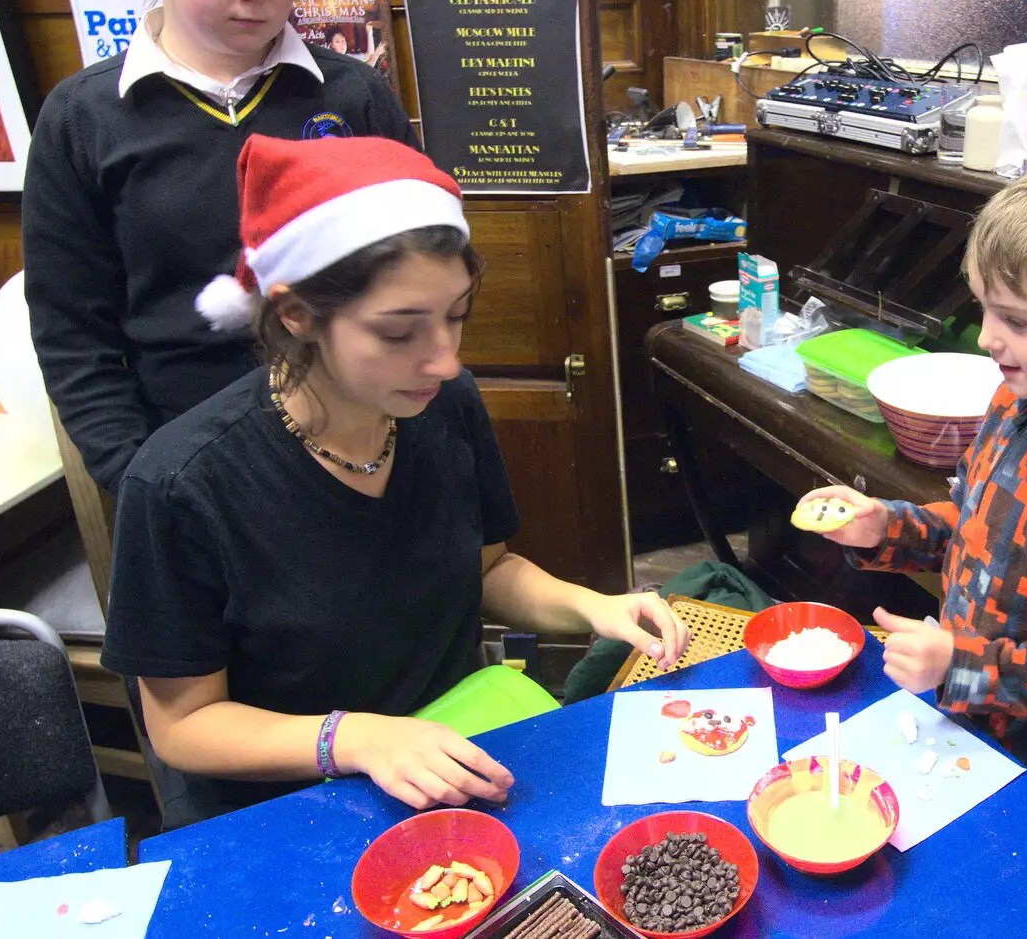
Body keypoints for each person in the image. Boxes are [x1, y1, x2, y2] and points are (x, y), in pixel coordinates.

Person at [101, 134, 692, 827]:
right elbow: (182, 726)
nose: (443, 360)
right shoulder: (181, 484)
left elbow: (489, 569)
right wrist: (353, 737)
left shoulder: (445, 405)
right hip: (292, 802)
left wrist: (593, 606)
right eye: (399, 331)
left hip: (458, 743)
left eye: (456, 316)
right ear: (295, 313)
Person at [802, 157, 1027, 814]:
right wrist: (886, 527)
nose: (986, 336)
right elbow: (973, 529)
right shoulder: (1014, 397)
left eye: (1016, 321)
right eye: (983, 307)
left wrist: (962, 664)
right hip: (957, 732)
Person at [23, 0, 419, 493]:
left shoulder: (352, 95)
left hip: (361, 435)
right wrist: (135, 475)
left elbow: (420, 271)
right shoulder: (82, 118)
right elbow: (72, 328)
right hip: (185, 455)